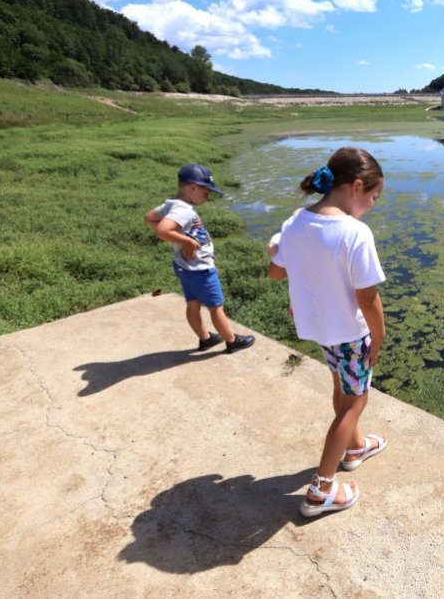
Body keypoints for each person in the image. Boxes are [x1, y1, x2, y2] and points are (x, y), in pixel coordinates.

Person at [268, 147, 388, 517]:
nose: (371, 205)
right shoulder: (355, 232)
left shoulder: (295, 222)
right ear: (355, 187)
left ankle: (355, 448)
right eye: (373, 197)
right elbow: (368, 298)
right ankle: (321, 488)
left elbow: (275, 271)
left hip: (320, 330)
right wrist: (379, 337)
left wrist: (277, 245)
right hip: (350, 333)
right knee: (356, 402)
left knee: (342, 387)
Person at [143, 164, 256, 354]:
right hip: (199, 269)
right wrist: (186, 241)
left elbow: (149, 218)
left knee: (193, 304)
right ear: (192, 188)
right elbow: (163, 230)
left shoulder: (171, 204)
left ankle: (206, 339)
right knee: (216, 307)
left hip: (184, 266)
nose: (208, 195)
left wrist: (178, 240)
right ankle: (232, 341)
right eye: (206, 191)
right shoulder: (184, 210)